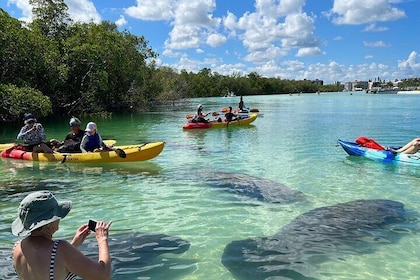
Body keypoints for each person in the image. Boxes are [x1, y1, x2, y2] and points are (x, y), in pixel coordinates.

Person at [12, 190, 112, 280]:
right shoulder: (61, 249)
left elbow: (50, 264)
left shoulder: (17, 248)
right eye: (57, 216)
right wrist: (102, 238)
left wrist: (74, 244)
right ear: (48, 223)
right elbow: (103, 275)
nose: (59, 219)